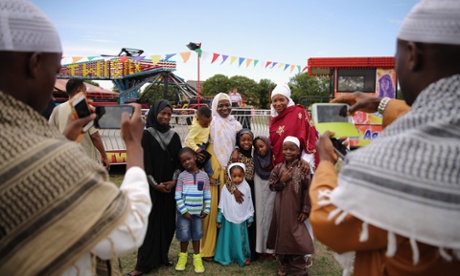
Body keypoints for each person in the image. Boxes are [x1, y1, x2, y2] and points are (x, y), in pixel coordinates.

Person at [0, 1, 151, 275]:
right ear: (35, 64)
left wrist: (66, 139)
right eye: (55, 68)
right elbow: (128, 228)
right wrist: (134, 146)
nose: (55, 79)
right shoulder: (41, 157)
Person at [310, 0, 460, 275]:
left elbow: (329, 222)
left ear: (413, 55)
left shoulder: (393, 161)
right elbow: (437, 117)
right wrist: (378, 103)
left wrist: (325, 164)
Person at [129, 100, 182, 276]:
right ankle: (143, 265)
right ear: (155, 113)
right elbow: (144, 163)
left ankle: (162, 257)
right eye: (162, 113)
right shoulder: (146, 135)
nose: (166, 117)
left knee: (168, 224)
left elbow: (179, 161)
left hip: (169, 188)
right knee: (150, 225)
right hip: (152, 188)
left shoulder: (174, 136)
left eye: (169, 114)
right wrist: (155, 184)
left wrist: (173, 181)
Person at [201, 92, 242, 261]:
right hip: (213, 168)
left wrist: (237, 148)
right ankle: (208, 249)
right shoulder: (210, 124)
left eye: (227, 105)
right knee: (211, 210)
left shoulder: (236, 124)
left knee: (228, 207)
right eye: (221, 105)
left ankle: (227, 248)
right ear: (215, 107)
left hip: (230, 170)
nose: (224, 108)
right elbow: (198, 145)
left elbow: (241, 142)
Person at [267, 136, 313, 276]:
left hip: (296, 209)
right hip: (281, 209)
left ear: (298, 151)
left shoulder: (303, 169)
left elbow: (307, 190)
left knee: (298, 237)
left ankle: (298, 266)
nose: (288, 152)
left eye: (292, 149)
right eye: (285, 149)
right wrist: (282, 180)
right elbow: (272, 186)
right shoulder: (278, 168)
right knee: (282, 235)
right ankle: (284, 264)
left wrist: (305, 210)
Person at [49, 79, 110, 170]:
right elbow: (95, 137)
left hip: (65, 160)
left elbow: (50, 134)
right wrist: (104, 156)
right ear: (79, 90)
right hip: (85, 161)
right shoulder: (87, 109)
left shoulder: (57, 110)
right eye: (85, 90)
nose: (86, 93)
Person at [174, 147, 211, 273]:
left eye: (189, 158)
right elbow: (178, 195)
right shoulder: (182, 177)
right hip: (184, 213)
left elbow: (207, 194)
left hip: (198, 213)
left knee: (197, 236)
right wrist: (184, 211)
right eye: (183, 161)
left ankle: (197, 258)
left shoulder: (204, 176)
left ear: (195, 157)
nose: (187, 162)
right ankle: (182, 257)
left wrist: (206, 210)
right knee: (184, 236)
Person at [224, 128, 258, 261]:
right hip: (238, 191)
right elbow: (227, 176)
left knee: (249, 221)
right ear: (238, 141)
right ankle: (237, 251)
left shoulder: (254, 154)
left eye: (249, 140)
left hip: (251, 190)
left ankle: (250, 251)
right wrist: (235, 191)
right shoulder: (235, 155)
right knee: (239, 222)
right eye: (243, 140)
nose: (246, 142)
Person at [269, 83, 319, 171]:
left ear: (288, 100)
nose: (278, 103)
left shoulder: (299, 113)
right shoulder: (274, 119)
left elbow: (310, 136)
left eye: (281, 100)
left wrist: (306, 158)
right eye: (275, 101)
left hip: (299, 163)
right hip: (279, 165)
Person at [214, 163, 254, 266]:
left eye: (240, 176)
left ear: (244, 175)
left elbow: (249, 203)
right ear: (230, 176)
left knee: (240, 239)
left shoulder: (246, 187)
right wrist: (219, 218)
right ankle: (226, 256)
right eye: (234, 176)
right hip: (228, 219)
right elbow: (222, 204)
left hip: (242, 219)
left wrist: (250, 218)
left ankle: (242, 257)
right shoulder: (226, 188)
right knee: (228, 238)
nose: (237, 179)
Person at [252, 136, 276, 258]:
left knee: (271, 216)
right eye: (257, 148)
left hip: (271, 189)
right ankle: (260, 248)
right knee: (260, 216)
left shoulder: (274, 161)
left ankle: (271, 249)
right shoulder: (256, 160)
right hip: (259, 186)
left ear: (267, 145)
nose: (259, 150)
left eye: (262, 146)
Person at [184, 106, 216, 184]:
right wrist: (196, 148)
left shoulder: (203, 122)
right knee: (206, 159)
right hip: (197, 145)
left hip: (204, 143)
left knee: (201, 162)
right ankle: (209, 176)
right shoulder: (196, 127)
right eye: (205, 123)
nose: (207, 125)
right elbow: (189, 139)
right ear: (198, 119)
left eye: (209, 122)